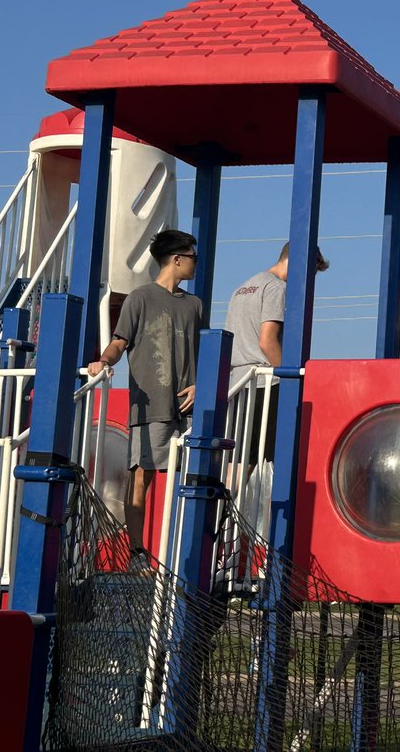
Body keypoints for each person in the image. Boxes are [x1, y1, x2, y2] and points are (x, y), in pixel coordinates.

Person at [87, 229, 202, 569]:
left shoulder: (195, 304)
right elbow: (119, 342)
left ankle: (187, 558)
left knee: (195, 480)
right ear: (177, 259)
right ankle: (137, 553)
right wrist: (103, 361)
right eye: (193, 257)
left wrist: (201, 385)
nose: (196, 263)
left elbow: (204, 353)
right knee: (141, 477)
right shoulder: (139, 298)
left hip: (189, 409)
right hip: (151, 406)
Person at [224, 243, 329, 465]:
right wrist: (291, 377)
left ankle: (227, 492)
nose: (307, 281)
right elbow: (267, 341)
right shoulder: (277, 288)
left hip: (240, 383)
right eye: (310, 273)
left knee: (240, 460)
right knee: (280, 459)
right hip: (267, 383)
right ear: (299, 263)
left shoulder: (243, 288)